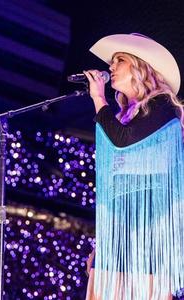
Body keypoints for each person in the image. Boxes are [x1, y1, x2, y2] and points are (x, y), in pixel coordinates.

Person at [84, 34, 184, 299]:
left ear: (140, 66)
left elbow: (122, 141)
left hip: (150, 227)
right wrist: (101, 244)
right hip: (118, 229)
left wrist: (98, 98)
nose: (110, 67)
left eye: (120, 60)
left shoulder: (162, 105)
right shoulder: (122, 117)